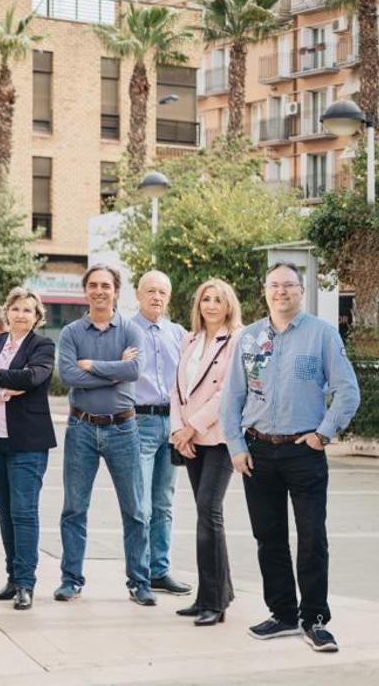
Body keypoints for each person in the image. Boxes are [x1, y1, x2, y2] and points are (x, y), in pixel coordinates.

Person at [221, 262, 359, 652]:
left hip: (304, 451)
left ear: (301, 289)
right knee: (269, 537)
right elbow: (231, 398)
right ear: (264, 291)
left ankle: (314, 619)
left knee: (312, 536)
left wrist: (323, 433)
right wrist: (236, 446)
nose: (281, 291)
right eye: (274, 285)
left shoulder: (322, 335)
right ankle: (282, 614)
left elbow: (347, 391)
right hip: (257, 451)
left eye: (288, 285)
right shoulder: (247, 339)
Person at [55, 264, 154, 606]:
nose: (99, 291)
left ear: (116, 291)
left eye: (105, 285)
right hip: (81, 427)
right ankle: (71, 580)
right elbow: (68, 376)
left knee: (136, 510)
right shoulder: (70, 333)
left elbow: (135, 370)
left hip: (123, 428)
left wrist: (92, 366)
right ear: (86, 291)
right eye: (93, 285)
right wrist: (114, 371)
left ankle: (139, 583)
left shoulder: (130, 330)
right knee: (74, 509)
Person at [170, 278, 242, 627]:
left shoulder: (237, 339)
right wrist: (177, 431)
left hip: (218, 437)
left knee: (208, 512)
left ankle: (216, 601)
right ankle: (210, 596)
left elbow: (227, 392)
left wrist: (192, 426)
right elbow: (176, 389)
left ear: (228, 304)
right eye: (205, 299)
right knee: (204, 517)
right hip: (189, 438)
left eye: (218, 299)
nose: (211, 305)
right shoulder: (190, 339)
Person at [0, 287, 56, 611]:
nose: (21, 314)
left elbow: (33, 378)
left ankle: (26, 582)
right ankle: (12, 578)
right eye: (17, 308)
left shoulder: (43, 344)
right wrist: (0, 390)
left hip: (28, 442)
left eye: (28, 310)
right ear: (6, 312)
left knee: (24, 513)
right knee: (4, 512)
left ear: (37, 317)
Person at [131, 271, 191, 597]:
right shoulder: (125, 332)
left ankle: (159, 570)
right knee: (140, 504)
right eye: (150, 291)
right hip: (139, 423)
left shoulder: (180, 335)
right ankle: (139, 577)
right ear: (138, 295)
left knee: (164, 502)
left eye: (162, 292)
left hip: (173, 423)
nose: (157, 297)